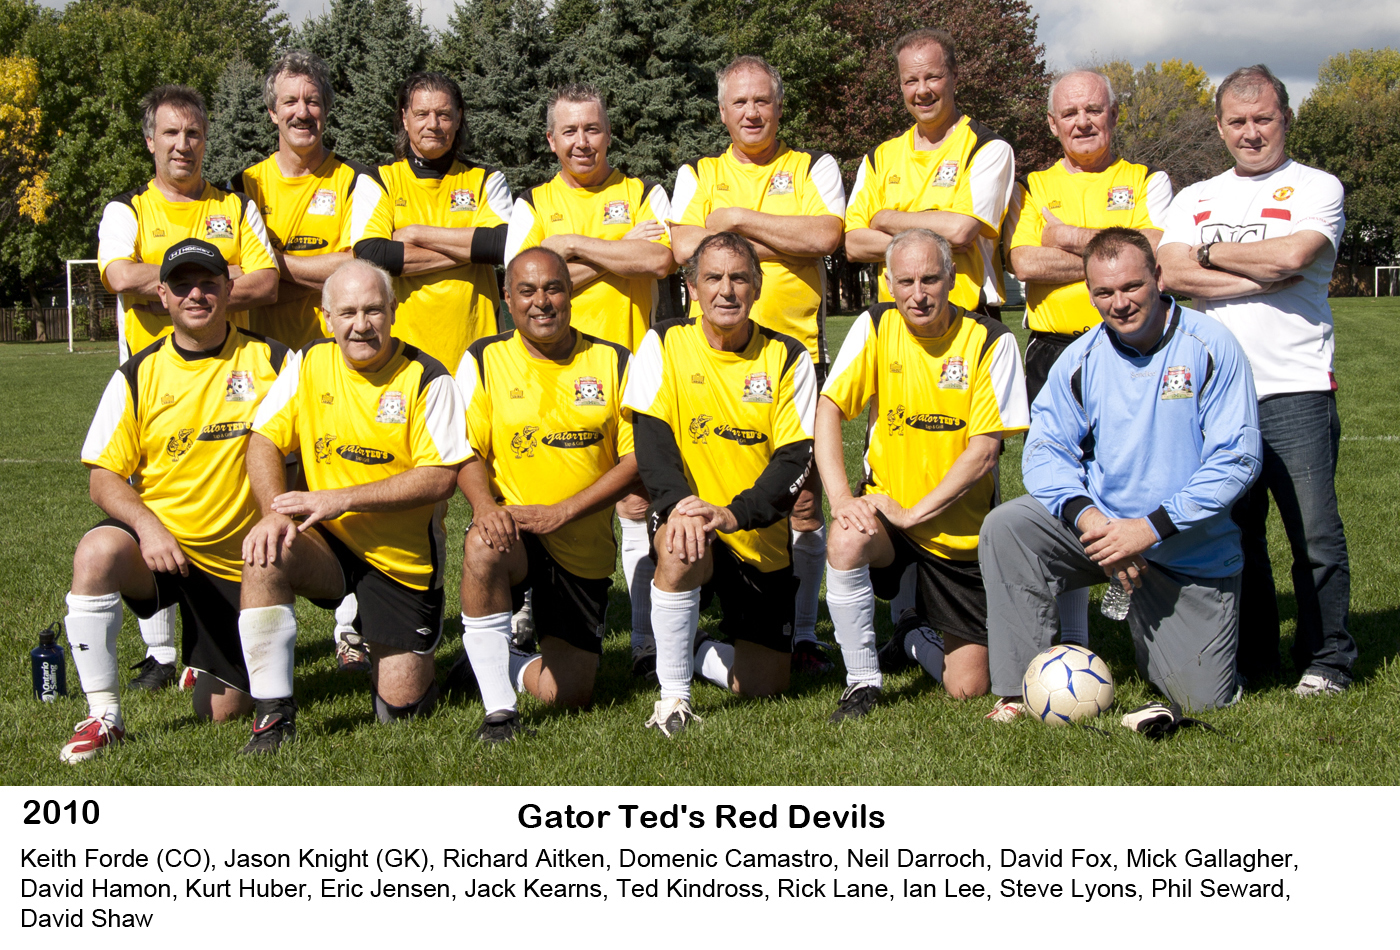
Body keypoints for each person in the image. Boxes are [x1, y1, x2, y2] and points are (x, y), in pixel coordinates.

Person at [981, 228, 1261, 721]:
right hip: (1104, 533)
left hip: (1184, 549)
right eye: (1104, 292)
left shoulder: (1210, 344)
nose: (1120, 303)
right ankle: (1021, 689)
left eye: (1132, 286)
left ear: (1159, 277)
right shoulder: (1080, 357)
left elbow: (1237, 458)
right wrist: (1091, 520)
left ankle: (1174, 639)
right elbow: (1045, 450)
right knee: (1010, 527)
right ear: (1090, 294)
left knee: (1202, 701)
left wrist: (1149, 528)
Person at [1158, 64, 1354, 697]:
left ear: (1285, 119)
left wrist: (1208, 253)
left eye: (1263, 118)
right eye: (1237, 121)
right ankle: (1256, 654)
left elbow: (1294, 256)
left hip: (1295, 388)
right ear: (1219, 127)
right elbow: (1170, 274)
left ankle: (1328, 658)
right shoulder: (1195, 198)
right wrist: (1257, 272)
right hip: (1216, 396)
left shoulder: (1318, 186)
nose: (1251, 132)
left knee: (1313, 533)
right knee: (1236, 534)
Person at [60, 240, 288, 762]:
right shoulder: (136, 373)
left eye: (208, 283)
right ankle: (103, 715)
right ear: (162, 295)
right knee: (96, 553)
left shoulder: (274, 360)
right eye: (182, 284)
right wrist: (149, 527)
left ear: (229, 289)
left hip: (238, 564)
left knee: (220, 712)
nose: (196, 294)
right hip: (161, 549)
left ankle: (210, 660)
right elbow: (102, 477)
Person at [239, 260, 470, 752]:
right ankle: (273, 714)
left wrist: (340, 499)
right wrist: (274, 513)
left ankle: (456, 663)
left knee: (402, 712)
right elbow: (262, 439)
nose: (360, 325)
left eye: (372, 311)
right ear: (327, 318)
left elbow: (440, 478)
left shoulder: (428, 377)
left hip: (399, 561)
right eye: (347, 313)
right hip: (328, 544)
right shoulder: (309, 361)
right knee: (265, 551)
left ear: (393, 310)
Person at [96, 84, 280, 689]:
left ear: (206, 139)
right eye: (171, 133)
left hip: (232, 377)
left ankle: (225, 637)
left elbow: (267, 282)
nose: (183, 144)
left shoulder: (234, 206)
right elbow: (118, 274)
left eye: (194, 133)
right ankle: (160, 653)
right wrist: (206, 275)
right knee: (151, 501)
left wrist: (178, 285)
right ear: (150, 141)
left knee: (234, 501)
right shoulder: (127, 209)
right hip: (157, 379)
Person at [670, 55, 844, 673]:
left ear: (778, 106)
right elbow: (683, 246)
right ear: (722, 112)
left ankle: (804, 633)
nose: (751, 112)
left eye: (762, 101)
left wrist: (736, 222)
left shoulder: (812, 167)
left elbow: (826, 237)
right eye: (739, 103)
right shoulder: (698, 172)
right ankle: (677, 629)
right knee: (696, 488)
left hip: (794, 356)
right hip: (709, 359)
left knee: (802, 500)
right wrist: (780, 238)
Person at [843, 28, 1014, 631]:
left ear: (954, 77)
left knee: (968, 464)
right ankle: (906, 618)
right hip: (899, 323)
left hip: (967, 322)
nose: (922, 89)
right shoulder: (880, 156)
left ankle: (969, 594)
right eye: (910, 79)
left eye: (932, 76)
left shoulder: (986, 147)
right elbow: (851, 239)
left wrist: (887, 217)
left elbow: (964, 231)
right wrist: (923, 230)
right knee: (897, 449)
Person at [817, 229, 1028, 720]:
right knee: (846, 537)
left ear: (952, 278)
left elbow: (984, 453)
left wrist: (913, 514)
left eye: (930, 279)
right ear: (888, 283)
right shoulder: (876, 325)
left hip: (960, 533)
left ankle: (911, 633)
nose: (919, 294)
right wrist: (842, 500)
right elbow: (828, 409)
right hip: (889, 514)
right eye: (906, 281)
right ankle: (862, 682)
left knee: (968, 687)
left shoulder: (991, 340)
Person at [501, 84, 672, 677]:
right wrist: (618, 251)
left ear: (609, 133)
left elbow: (659, 260)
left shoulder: (643, 192)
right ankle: (525, 616)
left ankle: (645, 641)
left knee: (635, 498)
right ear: (551, 140)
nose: (582, 142)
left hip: (631, 371)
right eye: (569, 131)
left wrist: (572, 246)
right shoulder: (531, 203)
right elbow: (524, 285)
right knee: (541, 492)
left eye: (592, 129)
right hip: (550, 374)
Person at [622, 232, 817, 736]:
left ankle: (689, 645)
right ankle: (673, 699)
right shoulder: (663, 342)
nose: (726, 290)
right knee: (680, 543)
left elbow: (794, 459)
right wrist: (681, 508)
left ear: (757, 287)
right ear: (692, 287)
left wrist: (733, 514)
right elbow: (652, 444)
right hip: (691, 519)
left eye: (739, 278)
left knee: (766, 683)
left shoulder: (789, 356)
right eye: (713, 278)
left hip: (755, 533)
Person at [1005, 68, 1173, 647]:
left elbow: (1157, 252)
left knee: (1132, 477)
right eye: (1070, 113)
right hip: (1054, 351)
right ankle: (1074, 636)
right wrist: (1114, 251)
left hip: (1131, 348)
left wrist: (1069, 237)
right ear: (1053, 124)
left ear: (1114, 115)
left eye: (1094, 110)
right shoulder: (1032, 186)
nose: (1082, 122)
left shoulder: (1148, 180)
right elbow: (1024, 263)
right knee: (1062, 485)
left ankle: (1151, 612)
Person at [451, 247, 638, 741]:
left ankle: (498, 658)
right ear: (507, 297)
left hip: (580, 540)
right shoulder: (483, 359)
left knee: (569, 695)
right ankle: (499, 712)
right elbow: (464, 452)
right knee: (482, 545)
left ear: (570, 293)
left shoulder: (614, 360)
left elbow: (636, 460)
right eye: (527, 291)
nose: (542, 302)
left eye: (553, 288)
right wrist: (485, 507)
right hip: (513, 528)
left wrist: (564, 511)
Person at [236, 50, 381, 675]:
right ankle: (238, 637)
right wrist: (303, 272)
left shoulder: (357, 182)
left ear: (327, 110)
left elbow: (361, 264)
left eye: (313, 100)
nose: (303, 111)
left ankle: (352, 627)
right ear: (272, 112)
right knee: (256, 497)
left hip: (339, 363)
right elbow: (233, 271)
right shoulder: (243, 186)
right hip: (258, 366)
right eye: (290, 101)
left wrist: (272, 271)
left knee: (342, 492)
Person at [350, 72, 512, 372]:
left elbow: (502, 244)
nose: (433, 124)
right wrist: (470, 250)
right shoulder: (378, 180)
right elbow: (372, 254)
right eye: (422, 113)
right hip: (403, 357)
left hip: (477, 354)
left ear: (459, 118)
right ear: (405, 118)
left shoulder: (486, 179)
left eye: (444, 114)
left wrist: (415, 233)